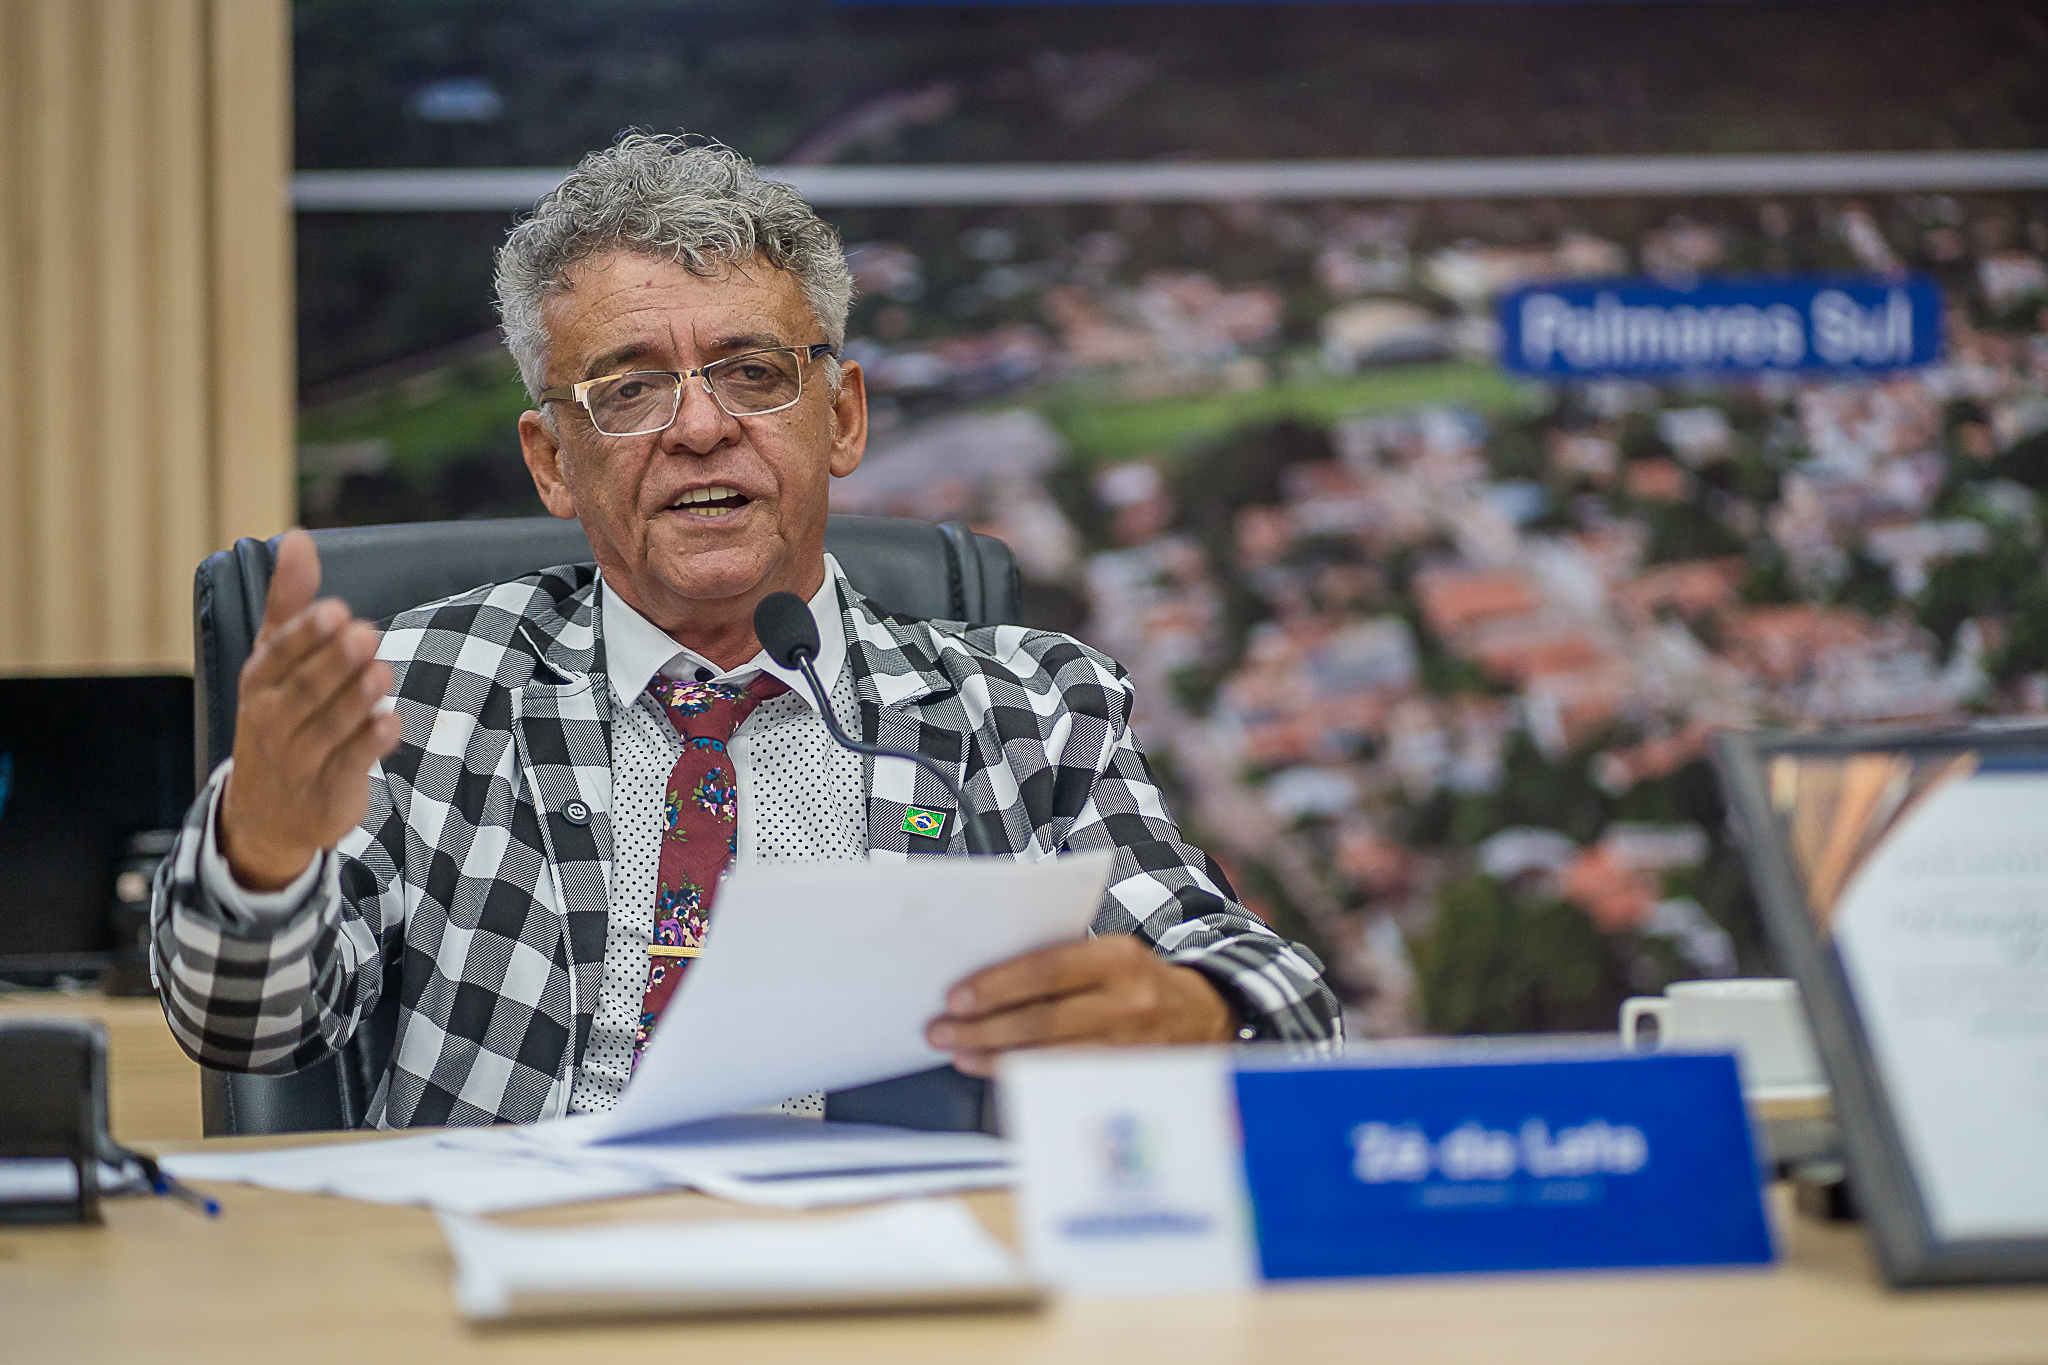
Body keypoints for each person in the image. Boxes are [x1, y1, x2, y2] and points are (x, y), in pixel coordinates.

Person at [151, 132, 1339, 1128]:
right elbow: (244, 1029)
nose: (699, 430)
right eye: (627, 389)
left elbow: (1293, 1014)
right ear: (551, 462)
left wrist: (1197, 1013)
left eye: (754, 374)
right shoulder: (423, 687)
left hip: (887, 1267)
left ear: (843, 418)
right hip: (505, 1263)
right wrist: (263, 850)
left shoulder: (1028, 709)